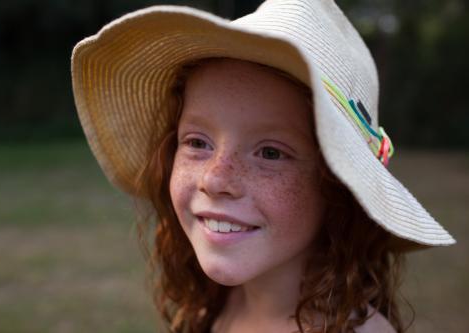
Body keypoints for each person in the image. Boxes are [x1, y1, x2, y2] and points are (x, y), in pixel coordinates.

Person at [71, 1, 456, 332]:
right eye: (197, 143)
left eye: (270, 153)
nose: (216, 178)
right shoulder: (213, 310)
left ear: (337, 185)